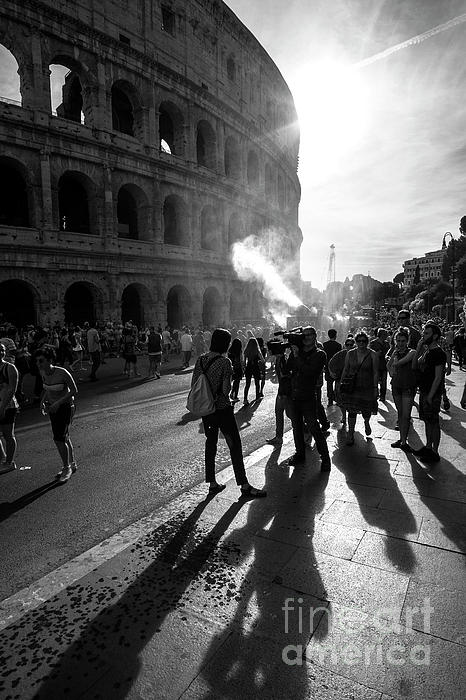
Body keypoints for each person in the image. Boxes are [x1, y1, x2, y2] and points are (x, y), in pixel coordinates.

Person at [191, 328, 266, 498]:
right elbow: (226, 391)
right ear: (225, 343)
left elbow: (194, 384)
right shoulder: (225, 362)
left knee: (211, 443)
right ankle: (244, 485)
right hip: (222, 409)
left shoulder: (201, 360)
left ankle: (212, 483)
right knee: (234, 445)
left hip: (207, 410)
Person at [285, 326, 331, 471]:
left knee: (314, 427)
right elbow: (287, 368)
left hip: (308, 396)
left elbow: (310, 372)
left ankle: (325, 458)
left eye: (309, 335)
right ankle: (300, 454)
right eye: (303, 335)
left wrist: (297, 355)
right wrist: (287, 354)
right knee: (296, 427)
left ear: (315, 335)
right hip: (294, 395)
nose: (306, 338)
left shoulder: (320, 354)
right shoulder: (297, 351)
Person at [35, 346, 78, 483]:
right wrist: (43, 401)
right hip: (52, 408)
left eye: (41, 361)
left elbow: (74, 390)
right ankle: (72, 463)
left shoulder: (62, 372)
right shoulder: (43, 372)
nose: (39, 364)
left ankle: (66, 468)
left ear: (49, 360)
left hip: (66, 407)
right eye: (37, 361)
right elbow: (48, 389)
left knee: (59, 438)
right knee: (64, 436)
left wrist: (58, 403)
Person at [411, 321, 447, 463]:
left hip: (433, 393)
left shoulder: (439, 353)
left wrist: (431, 396)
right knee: (426, 421)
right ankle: (427, 446)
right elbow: (415, 365)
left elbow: (438, 377)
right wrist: (419, 346)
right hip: (424, 390)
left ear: (435, 336)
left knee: (433, 421)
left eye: (427, 333)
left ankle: (435, 451)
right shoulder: (427, 351)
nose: (423, 335)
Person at [339, 331, 379, 446]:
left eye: (364, 341)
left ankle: (366, 422)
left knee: (366, 410)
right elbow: (346, 369)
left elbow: (376, 373)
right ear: (356, 342)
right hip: (353, 387)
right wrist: (341, 384)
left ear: (367, 342)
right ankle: (350, 434)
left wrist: (376, 388)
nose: (362, 343)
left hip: (367, 387)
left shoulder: (373, 354)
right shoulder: (350, 353)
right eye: (359, 341)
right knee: (351, 411)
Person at [386, 327, 417, 451]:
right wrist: (391, 369)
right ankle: (402, 439)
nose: (400, 343)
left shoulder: (412, 352)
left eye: (403, 341)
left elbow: (401, 362)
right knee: (400, 413)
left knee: (406, 415)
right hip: (396, 386)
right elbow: (388, 366)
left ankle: (404, 441)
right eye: (398, 341)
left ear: (407, 341)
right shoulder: (395, 353)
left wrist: (394, 363)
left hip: (408, 387)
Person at [0, 342, 19, 474]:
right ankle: (3, 458)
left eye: (2, 350)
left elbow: (12, 389)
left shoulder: (10, 368)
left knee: (8, 435)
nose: (1, 352)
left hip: (8, 406)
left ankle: (10, 462)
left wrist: (2, 406)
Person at [328, 336, 356, 428]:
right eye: (347, 344)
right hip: (340, 380)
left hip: (353, 382)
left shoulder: (357, 354)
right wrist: (332, 373)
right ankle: (344, 417)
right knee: (341, 401)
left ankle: (351, 422)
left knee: (352, 402)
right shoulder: (340, 354)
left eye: (351, 345)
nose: (349, 346)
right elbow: (331, 363)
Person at [265, 349, 292, 446]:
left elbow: (285, 377)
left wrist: (282, 393)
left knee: (289, 414)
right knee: (281, 413)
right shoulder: (281, 359)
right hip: (283, 391)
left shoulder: (281, 361)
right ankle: (278, 436)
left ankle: (304, 431)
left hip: (284, 392)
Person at [369, 328, 390, 401]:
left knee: (383, 382)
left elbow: (389, 352)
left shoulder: (386, 343)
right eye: (385, 334)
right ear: (380, 335)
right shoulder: (373, 343)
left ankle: (382, 396)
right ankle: (375, 395)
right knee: (375, 381)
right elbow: (370, 353)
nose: (386, 336)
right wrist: (376, 354)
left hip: (384, 365)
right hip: (376, 365)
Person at [323, 329, 342, 406]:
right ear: (335, 335)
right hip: (336, 367)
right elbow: (339, 357)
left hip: (328, 366)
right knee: (337, 383)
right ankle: (337, 398)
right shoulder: (338, 345)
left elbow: (324, 357)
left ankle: (330, 399)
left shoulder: (325, 345)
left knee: (329, 384)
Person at [243, 337, 264, 405]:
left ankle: (245, 399)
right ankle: (257, 397)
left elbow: (244, 362)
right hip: (255, 367)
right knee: (257, 383)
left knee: (247, 384)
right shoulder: (257, 351)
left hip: (248, 367)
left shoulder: (246, 351)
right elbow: (263, 360)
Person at [227, 337, 243, 402]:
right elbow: (240, 360)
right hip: (238, 368)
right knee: (237, 383)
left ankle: (228, 395)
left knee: (229, 382)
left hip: (231, 368)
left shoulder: (230, 351)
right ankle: (234, 395)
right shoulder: (239, 351)